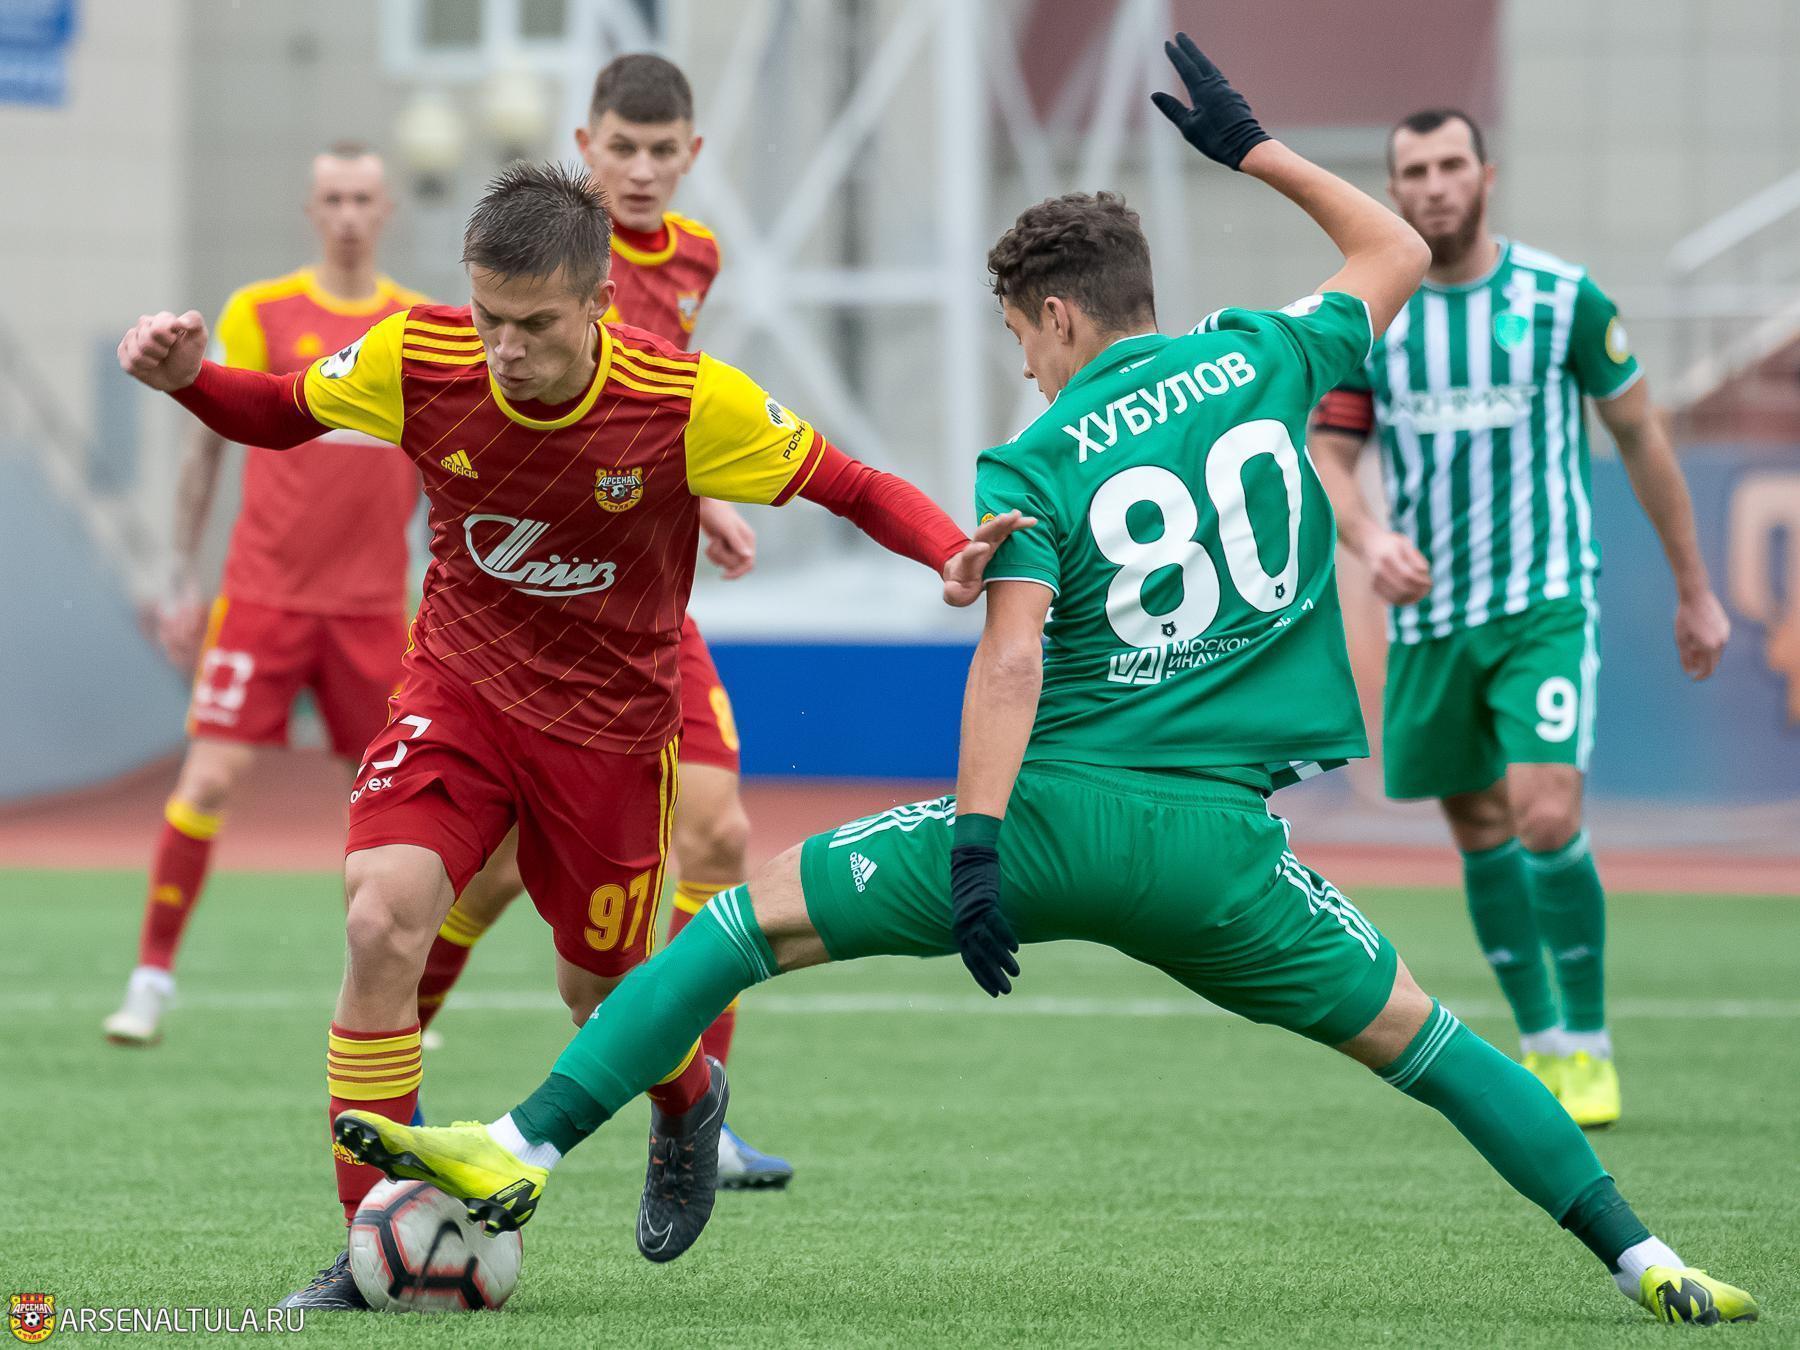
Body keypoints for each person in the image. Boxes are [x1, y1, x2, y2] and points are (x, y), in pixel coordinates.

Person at [330, 38, 1756, 1325]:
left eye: (1018, 337)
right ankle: (1645, 1257)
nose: (1022, 366)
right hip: (1224, 859)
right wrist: (1255, 149)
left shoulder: (1039, 458)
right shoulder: (1270, 354)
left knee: (734, 926)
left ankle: (518, 1144)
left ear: (1060, 319)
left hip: (1052, 823)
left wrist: (974, 844)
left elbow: (1012, 658)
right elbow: (1390, 241)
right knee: (1432, 1044)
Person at [117, 160, 1020, 1309]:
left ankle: (689, 1101)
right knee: (379, 919)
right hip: (457, 697)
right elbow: (283, 412)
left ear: (598, 303)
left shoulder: (684, 402)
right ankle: (373, 1247)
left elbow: (849, 483)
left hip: (608, 738)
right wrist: (191, 381)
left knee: (599, 995)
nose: (504, 347)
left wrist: (947, 549)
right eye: (488, 317)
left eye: (535, 324)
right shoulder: (418, 355)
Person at [1307, 108, 1732, 1128]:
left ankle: (1588, 1043)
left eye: (1452, 164)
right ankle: (1543, 1042)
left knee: (1545, 813)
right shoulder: (1374, 317)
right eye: (1415, 171)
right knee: (1480, 828)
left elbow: (1640, 436)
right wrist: (1369, 539)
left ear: (1486, 176)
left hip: (1543, 601)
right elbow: (1331, 455)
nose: (1435, 184)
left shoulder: (1562, 299)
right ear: (1394, 190)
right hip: (1430, 618)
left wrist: (1695, 587)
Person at [412, 52, 791, 1189]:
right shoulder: (545, 258)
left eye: (660, 150)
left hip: (639, 605)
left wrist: (706, 501)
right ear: (585, 147)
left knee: (717, 836)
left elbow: (660, 405)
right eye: (619, 147)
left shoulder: (696, 257)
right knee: (494, 874)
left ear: (691, 155)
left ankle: (704, 1116)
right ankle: (398, 1048)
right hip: (534, 607)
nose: (639, 169)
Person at [104, 144, 427, 1047]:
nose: (349, 214)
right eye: (335, 198)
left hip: (374, 608)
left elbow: (446, 469)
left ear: (386, 209)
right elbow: (208, 439)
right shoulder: (261, 310)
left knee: (392, 802)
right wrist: (180, 573)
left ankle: (393, 994)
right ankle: (150, 980)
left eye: (363, 198)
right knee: (209, 777)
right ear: (312, 209)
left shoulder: (415, 327)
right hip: (263, 597)